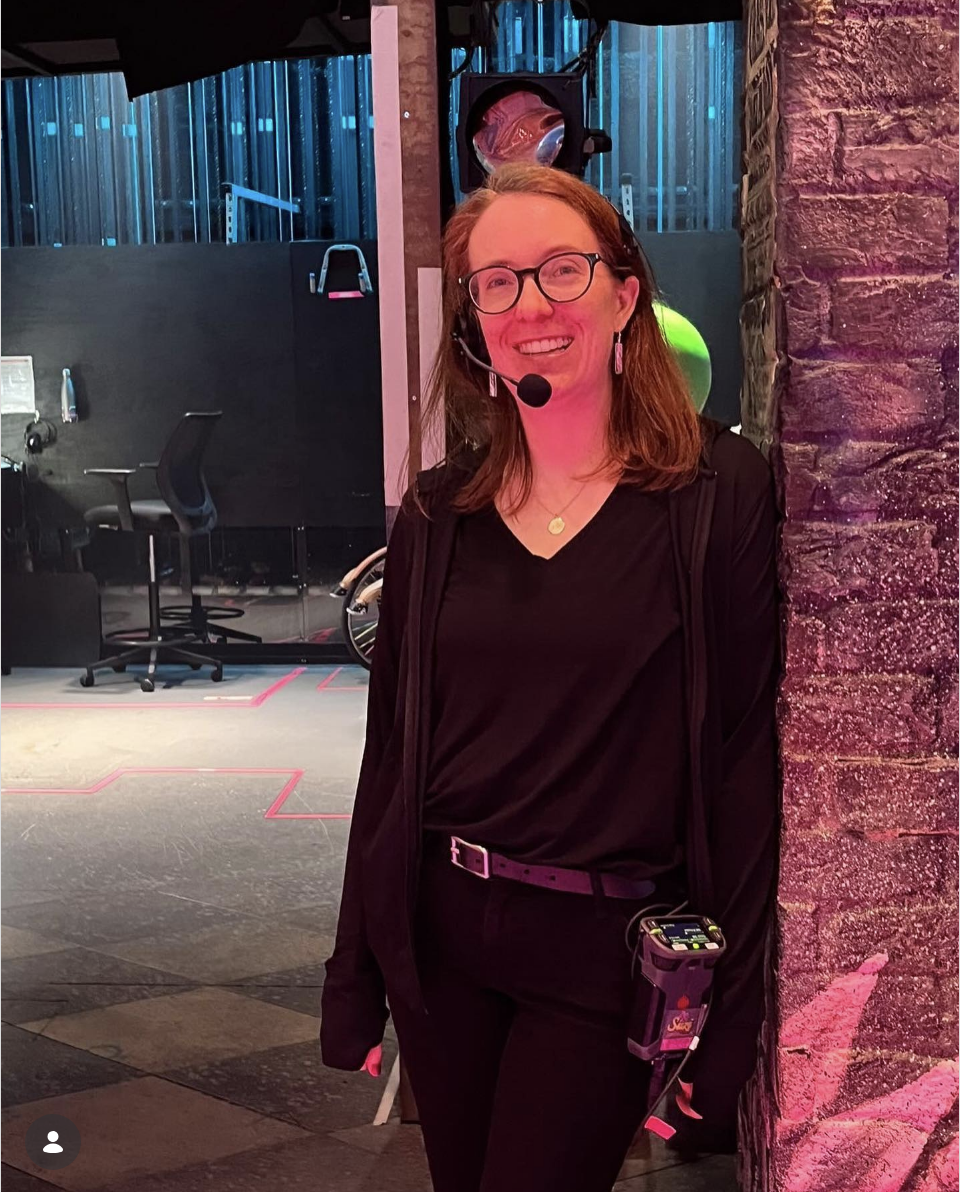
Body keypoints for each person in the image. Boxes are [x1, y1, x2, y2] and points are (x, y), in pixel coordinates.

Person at [319, 162, 780, 1192]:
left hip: (603, 950)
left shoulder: (715, 493)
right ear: (475, 323)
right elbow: (391, 756)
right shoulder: (438, 515)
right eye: (497, 283)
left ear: (624, 296)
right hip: (442, 939)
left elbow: (744, 764)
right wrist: (354, 974)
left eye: (561, 270)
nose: (530, 305)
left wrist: (735, 1011)